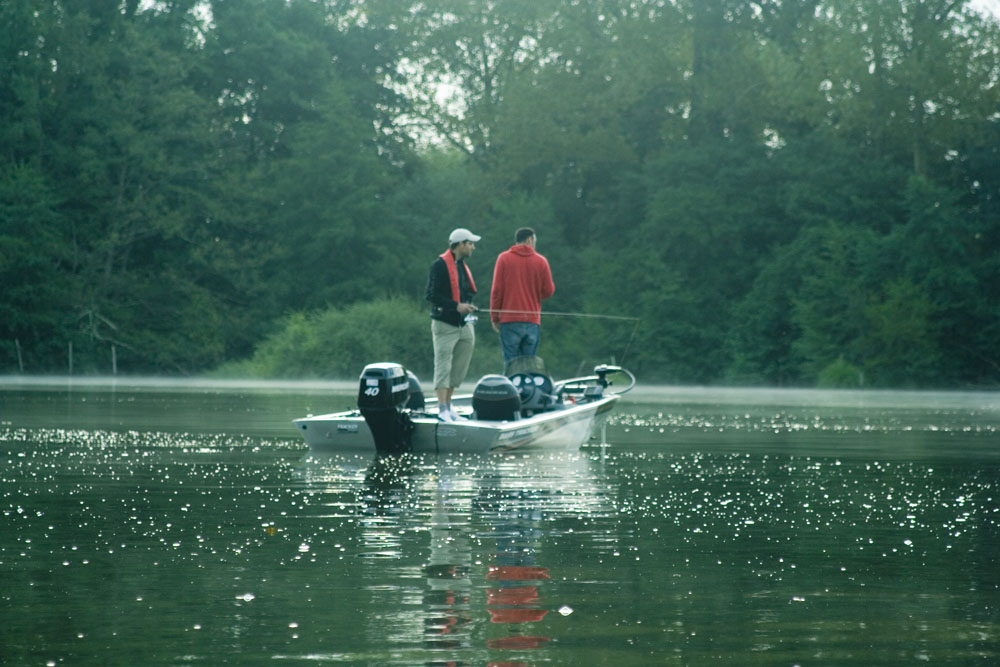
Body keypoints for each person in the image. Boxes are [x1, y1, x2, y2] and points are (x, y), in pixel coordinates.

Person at [426, 227, 481, 421]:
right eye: (470, 244)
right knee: (443, 367)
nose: (473, 247)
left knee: (458, 369)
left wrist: (468, 307)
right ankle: (442, 410)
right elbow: (431, 295)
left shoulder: (462, 267)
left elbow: (464, 294)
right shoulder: (439, 265)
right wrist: (456, 306)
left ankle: (449, 407)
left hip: (464, 326)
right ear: (460, 245)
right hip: (444, 325)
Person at [489, 227, 555, 365]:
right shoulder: (541, 261)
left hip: (509, 321)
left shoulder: (503, 259)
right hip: (532, 321)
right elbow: (549, 291)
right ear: (530, 239)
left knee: (512, 365)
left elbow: (497, 291)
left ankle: (512, 386)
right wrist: (534, 291)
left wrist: (495, 317)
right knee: (529, 365)